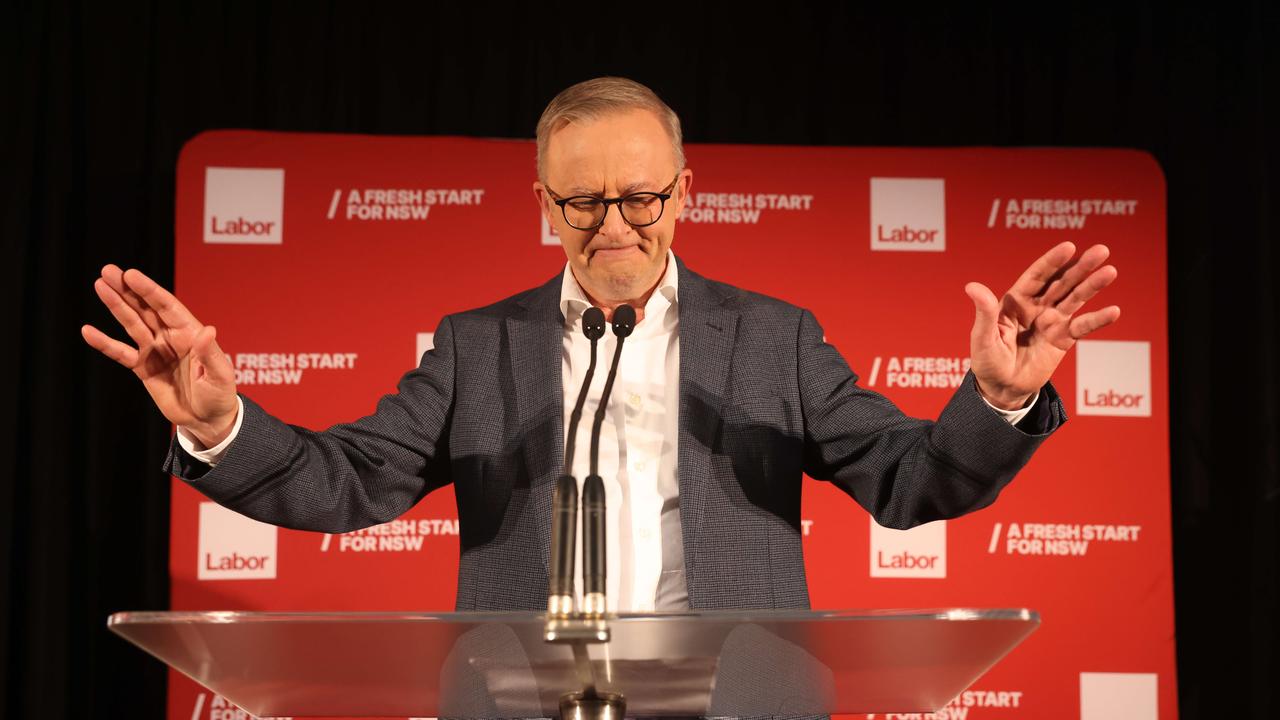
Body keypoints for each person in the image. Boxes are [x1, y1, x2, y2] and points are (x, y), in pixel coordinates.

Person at [81, 77, 1119, 613]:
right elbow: (348, 484)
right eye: (581, 200)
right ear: (542, 204)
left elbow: (911, 485)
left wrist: (993, 400)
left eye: (639, 196)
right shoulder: (475, 347)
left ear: (685, 192)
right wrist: (219, 422)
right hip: (525, 700)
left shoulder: (774, 339)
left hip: (736, 695)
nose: (613, 224)